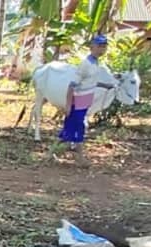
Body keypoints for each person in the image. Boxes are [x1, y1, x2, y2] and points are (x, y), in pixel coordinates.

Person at [60, 34, 114, 162]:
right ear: (92, 47)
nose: (102, 49)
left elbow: (90, 81)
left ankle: (60, 152)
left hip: (85, 101)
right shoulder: (86, 64)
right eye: (99, 46)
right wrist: (68, 105)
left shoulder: (95, 63)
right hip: (78, 101)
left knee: (73, 127)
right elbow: (72, 85)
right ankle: (80, 157)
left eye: (104, 46)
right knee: (77, 127)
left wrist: (105, 85)